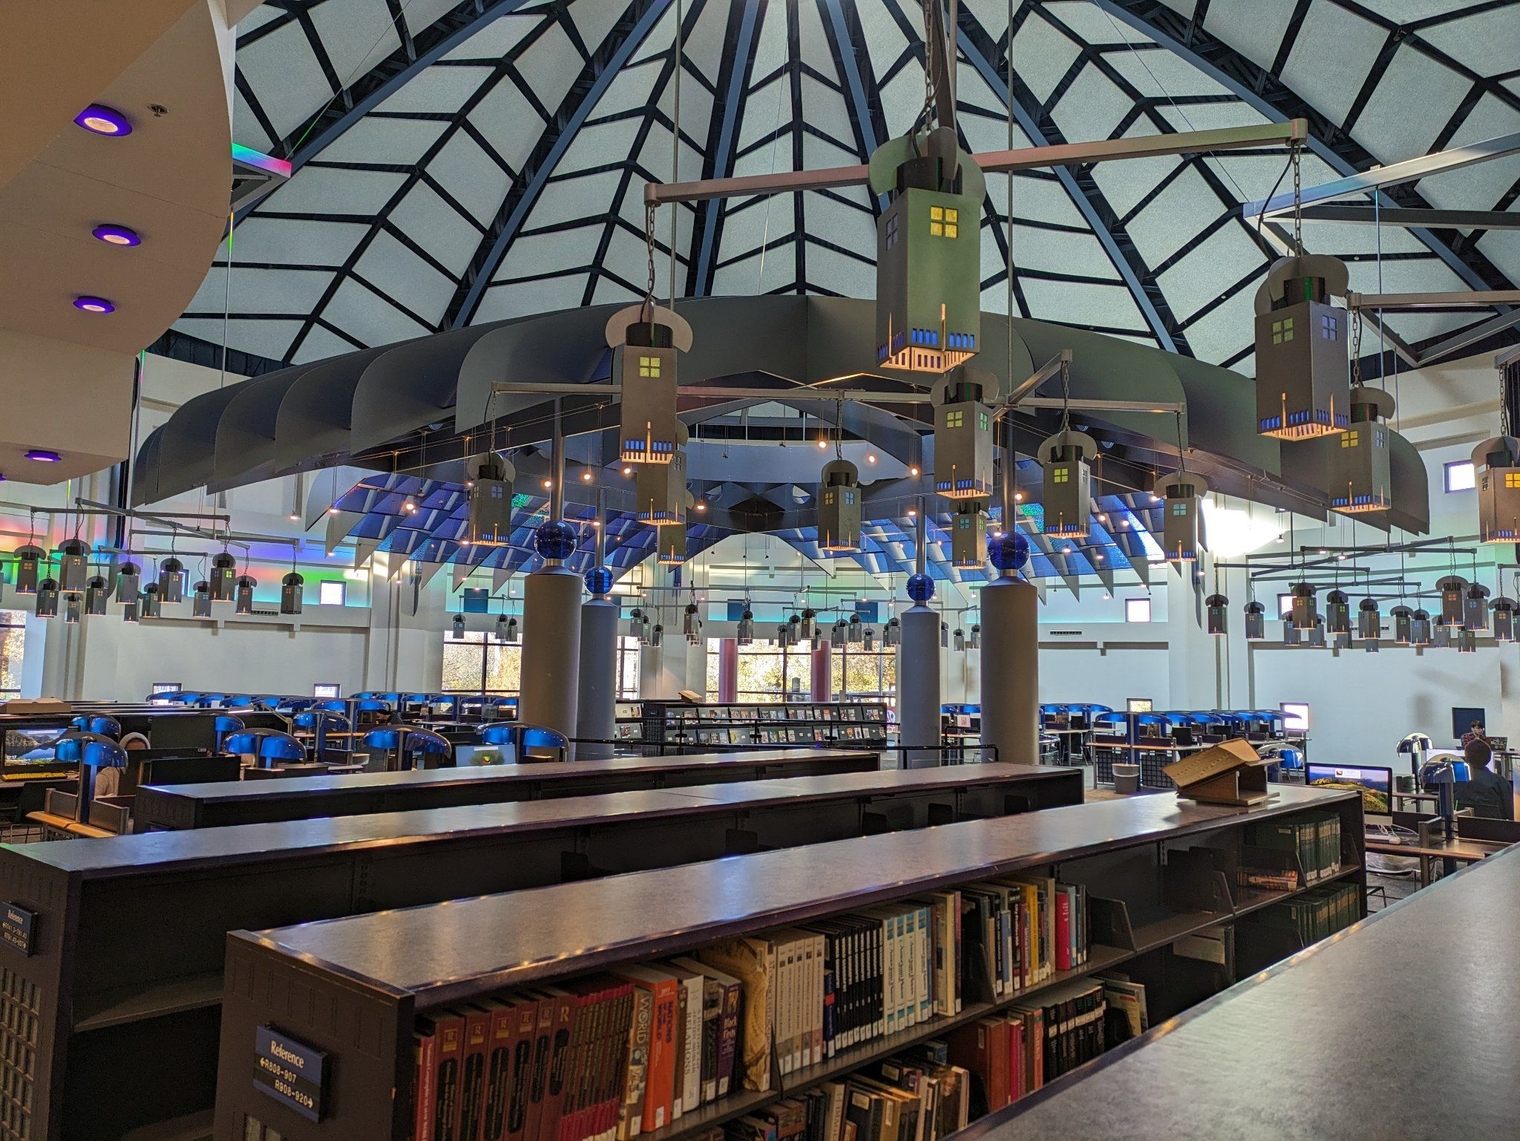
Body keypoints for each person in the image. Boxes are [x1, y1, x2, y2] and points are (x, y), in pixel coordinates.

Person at [1456, 738, 1514, 821]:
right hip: (1495, 831)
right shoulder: (1499, 782)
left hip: (1461, 830)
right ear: (1489, 758)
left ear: (1466, 758)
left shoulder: (1455, 781)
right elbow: (1510, 813)